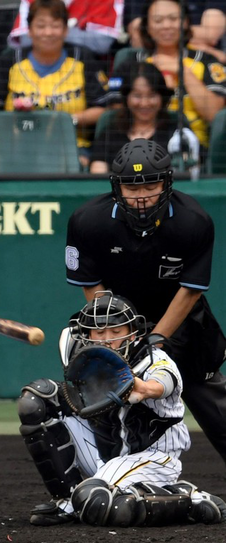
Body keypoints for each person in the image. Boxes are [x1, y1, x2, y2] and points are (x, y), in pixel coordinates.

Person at [66, 138, 226, 465]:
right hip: (119, 321)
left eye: (150, 185)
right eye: (131, 188)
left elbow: (190, 290)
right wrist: (116, 335)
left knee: (212, 401)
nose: (141, 196)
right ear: (117, 187)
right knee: (102, 400)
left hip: (180, 321)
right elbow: (92, 288)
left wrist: (155, 339)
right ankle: (94, 485)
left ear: (166, 182)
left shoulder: (193, 221)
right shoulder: (88, 221)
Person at [18, 291, 226, 527]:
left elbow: (162, 383)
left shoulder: (154, 358)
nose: (107, 339)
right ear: (87, 334)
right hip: (106, 450)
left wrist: (144, 388)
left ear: (132, 333)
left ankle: (189, 499)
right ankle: (66, 501)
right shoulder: (86, 358)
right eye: (99, 332)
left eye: (116, 332)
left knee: (100, 503)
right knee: (36, 400)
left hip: (153, 456)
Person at [0, 0, 108, 167]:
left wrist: (66, 121)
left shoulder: (82, 58)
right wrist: (12, 123)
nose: (48, 33)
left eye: (55, 26)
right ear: (30, 30)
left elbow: (103, 109)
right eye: (40, 26)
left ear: (65, 30)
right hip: (16, 147)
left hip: (71, 148)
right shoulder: (10, 60)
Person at [111, 0, 226, 149]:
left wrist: (183, 72)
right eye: (158, 20)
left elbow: (214, 114)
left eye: (173, 19)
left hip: (193, 148)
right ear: (147, 27)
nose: (166, 25)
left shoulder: (206, 61)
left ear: (185, 23)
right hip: (137, 146)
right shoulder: (130, 62)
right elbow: (115, 112)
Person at [89, 61, 199, 172]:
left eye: (152, 95)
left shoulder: (178, 132)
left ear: (162, 97)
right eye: (137, 96)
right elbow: (98, 176)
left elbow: (191, 172)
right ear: (126, 97)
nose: (144, 103)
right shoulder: (110, 133)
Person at [9, 0, 125, 56]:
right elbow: (25, 39)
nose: (49, 33)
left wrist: (52, 32)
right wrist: (60, 30)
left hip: (87, 66)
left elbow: (101, 43)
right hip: (36, 65)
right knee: (9, 56)